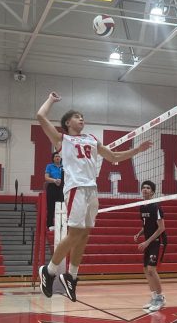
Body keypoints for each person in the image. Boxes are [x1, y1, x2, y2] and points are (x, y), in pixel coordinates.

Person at [37, 92, 152, 302]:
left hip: (92, 190)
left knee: (85, 234)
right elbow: (40, 116)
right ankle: (49, 270)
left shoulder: (91, 139)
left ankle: (71, 276)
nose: (81, 119)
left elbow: (113, 156)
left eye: (82, 116)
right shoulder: (62, 140)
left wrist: (137, 150)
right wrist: (51, 100)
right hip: (76, 189)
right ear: (67, 122)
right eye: (77, 116)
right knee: (74, 234)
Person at [135, 181, 167, 312]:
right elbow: (146, 225)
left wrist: (147, 241)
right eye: (143, 188)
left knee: (151, 269)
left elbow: (161, 228)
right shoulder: (142, 207)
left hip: (158, 241)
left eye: (148, 188)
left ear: (153, 192)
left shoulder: (156, 207)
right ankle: (154, 297)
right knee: (145, 270)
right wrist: (139, 233)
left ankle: (160, 298)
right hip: (149, 241)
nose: (145, 189)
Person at [44, 152, 64, 231]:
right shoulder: (49, 166)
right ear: (53, 158)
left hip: (61, 187)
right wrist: (54, 180)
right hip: (52, 187)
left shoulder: (63, 167)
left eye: (59, 156)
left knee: (61, 206)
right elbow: (46, 178)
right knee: (51, 207)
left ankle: (61, 224)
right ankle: (50, 225)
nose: (58, 157)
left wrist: (61, 181)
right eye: (56, 156)